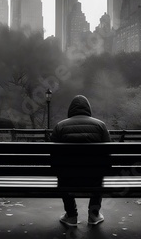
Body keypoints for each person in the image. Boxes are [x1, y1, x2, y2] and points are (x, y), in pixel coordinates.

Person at [50, 95, 111, 227]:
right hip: (93, 178)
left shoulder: (60, 126)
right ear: (88, 109)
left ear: (71, 110)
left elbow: (53, 157)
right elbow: (107, 155)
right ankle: (94, 215)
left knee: (62, 174)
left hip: (68, 178)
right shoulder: (101, 125)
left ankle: (71, 215)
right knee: (99, 173)